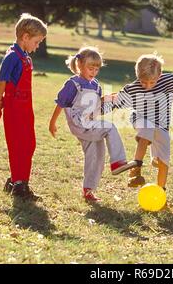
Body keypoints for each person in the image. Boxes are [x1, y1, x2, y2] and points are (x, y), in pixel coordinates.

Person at [112, 53, 173, 192]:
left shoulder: (169, 81)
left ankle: (161, 193)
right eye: (143, 82)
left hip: (161, 126)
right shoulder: (132, 88)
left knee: (164, 162)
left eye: (152, 82)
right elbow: (115, 102)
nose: (147, 86)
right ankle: (136, 170)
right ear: (137, 76)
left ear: (160, 75)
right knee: (147, 127)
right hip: (140, 119)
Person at [49, 46, 136, 202]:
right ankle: (118, 162)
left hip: (91, 124)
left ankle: (88, 190)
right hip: (80, 124)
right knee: (109, 127)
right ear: (80, 65)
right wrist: (52, 122)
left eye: (97, 69)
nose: (94, 72)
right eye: (90, 68)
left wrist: (109, 99)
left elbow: (95, 108)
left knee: (96, 155)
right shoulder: (73, 84)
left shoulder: (96, 85)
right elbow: (61, 103)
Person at [0, 13, 47, 201]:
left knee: (29, 144)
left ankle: (17, 180)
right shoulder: (12, 56)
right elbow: (1, 82)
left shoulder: (25, 57)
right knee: (18, 145)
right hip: (14, 108)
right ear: (25, 37)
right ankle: (19, 185)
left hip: (26, 108)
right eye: (37, 41)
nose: (37, 46)